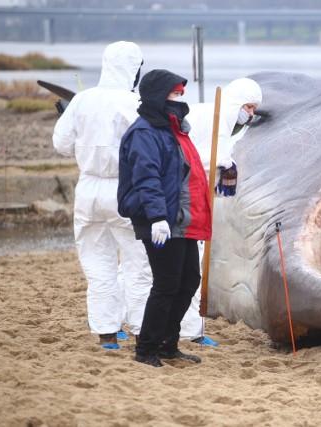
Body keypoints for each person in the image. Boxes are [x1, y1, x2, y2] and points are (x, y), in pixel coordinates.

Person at [52, 41, 151, 350]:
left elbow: (61, 144)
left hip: (88, 188)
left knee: (97, 265)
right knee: (138, 265)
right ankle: (139, 331)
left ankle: (106, 334)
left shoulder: (82, 100)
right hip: (125, 188)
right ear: (134, 69)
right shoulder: (135, 103)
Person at [118, 69, 211, 367]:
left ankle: (168, 344)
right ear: (158, 95)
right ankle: (146, 349)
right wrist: (158, 217)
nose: (180, 98)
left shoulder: (173, 128)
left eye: (182, 93)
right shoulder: (145, 131)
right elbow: (147, 178)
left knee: (188, 282)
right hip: (160, 220)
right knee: (167, 284)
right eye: (174, 93)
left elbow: (186, 174)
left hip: (181, 219)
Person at [179, 77, 262, 344]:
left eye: (252, 110)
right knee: (185, 262)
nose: (249, 115)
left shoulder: (227, 126)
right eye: (248, 107)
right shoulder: (206, 115)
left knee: (195, 263)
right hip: (186, 195)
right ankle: (186, 328)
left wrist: (224, 165)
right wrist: (221, 161)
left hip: (202, 195)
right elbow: (184, 153)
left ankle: (193, 329)